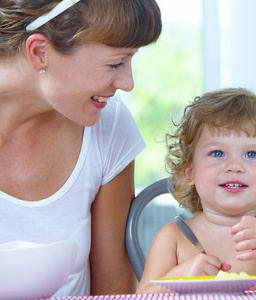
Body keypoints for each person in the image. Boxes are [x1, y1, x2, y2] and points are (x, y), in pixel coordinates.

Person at [0, 0, 161, 296]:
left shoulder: (107, 125)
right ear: (40, 52)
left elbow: (113, 289)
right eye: (115, 63)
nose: (128, 83)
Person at [136, 88, 256, 293]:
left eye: (252, 154)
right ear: (189, 173)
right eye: (218, 152)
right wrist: (181, 276)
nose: (234, 165)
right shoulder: (173, 238)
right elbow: (143, 296)